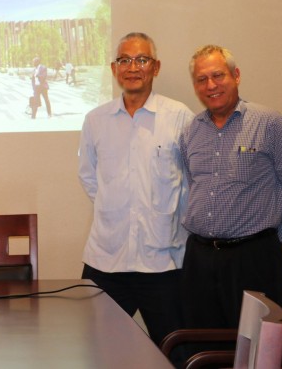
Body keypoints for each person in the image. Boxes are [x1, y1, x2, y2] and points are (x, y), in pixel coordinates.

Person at [78, 32, 194, 348]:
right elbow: (90, 178)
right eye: (125, 60)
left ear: (155, 67)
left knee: (177, 353)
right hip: (107, 260)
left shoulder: (179, 117)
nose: (133, 67)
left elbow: (191, 182)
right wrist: (118, 206)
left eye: (142, 59)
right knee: (97, 352)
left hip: (163, 262)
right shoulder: (96, 120)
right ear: (114, 69)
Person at [180, 45, 282, 330]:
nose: (211, 85)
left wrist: (273, 240)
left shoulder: (271, 124)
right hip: (200, 259)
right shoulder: (191, 130)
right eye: (202, 79)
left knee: (256, 344)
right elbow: (194, 186)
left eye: (218, 75)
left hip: (254, 258)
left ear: (236, 75)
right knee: (202, 343)